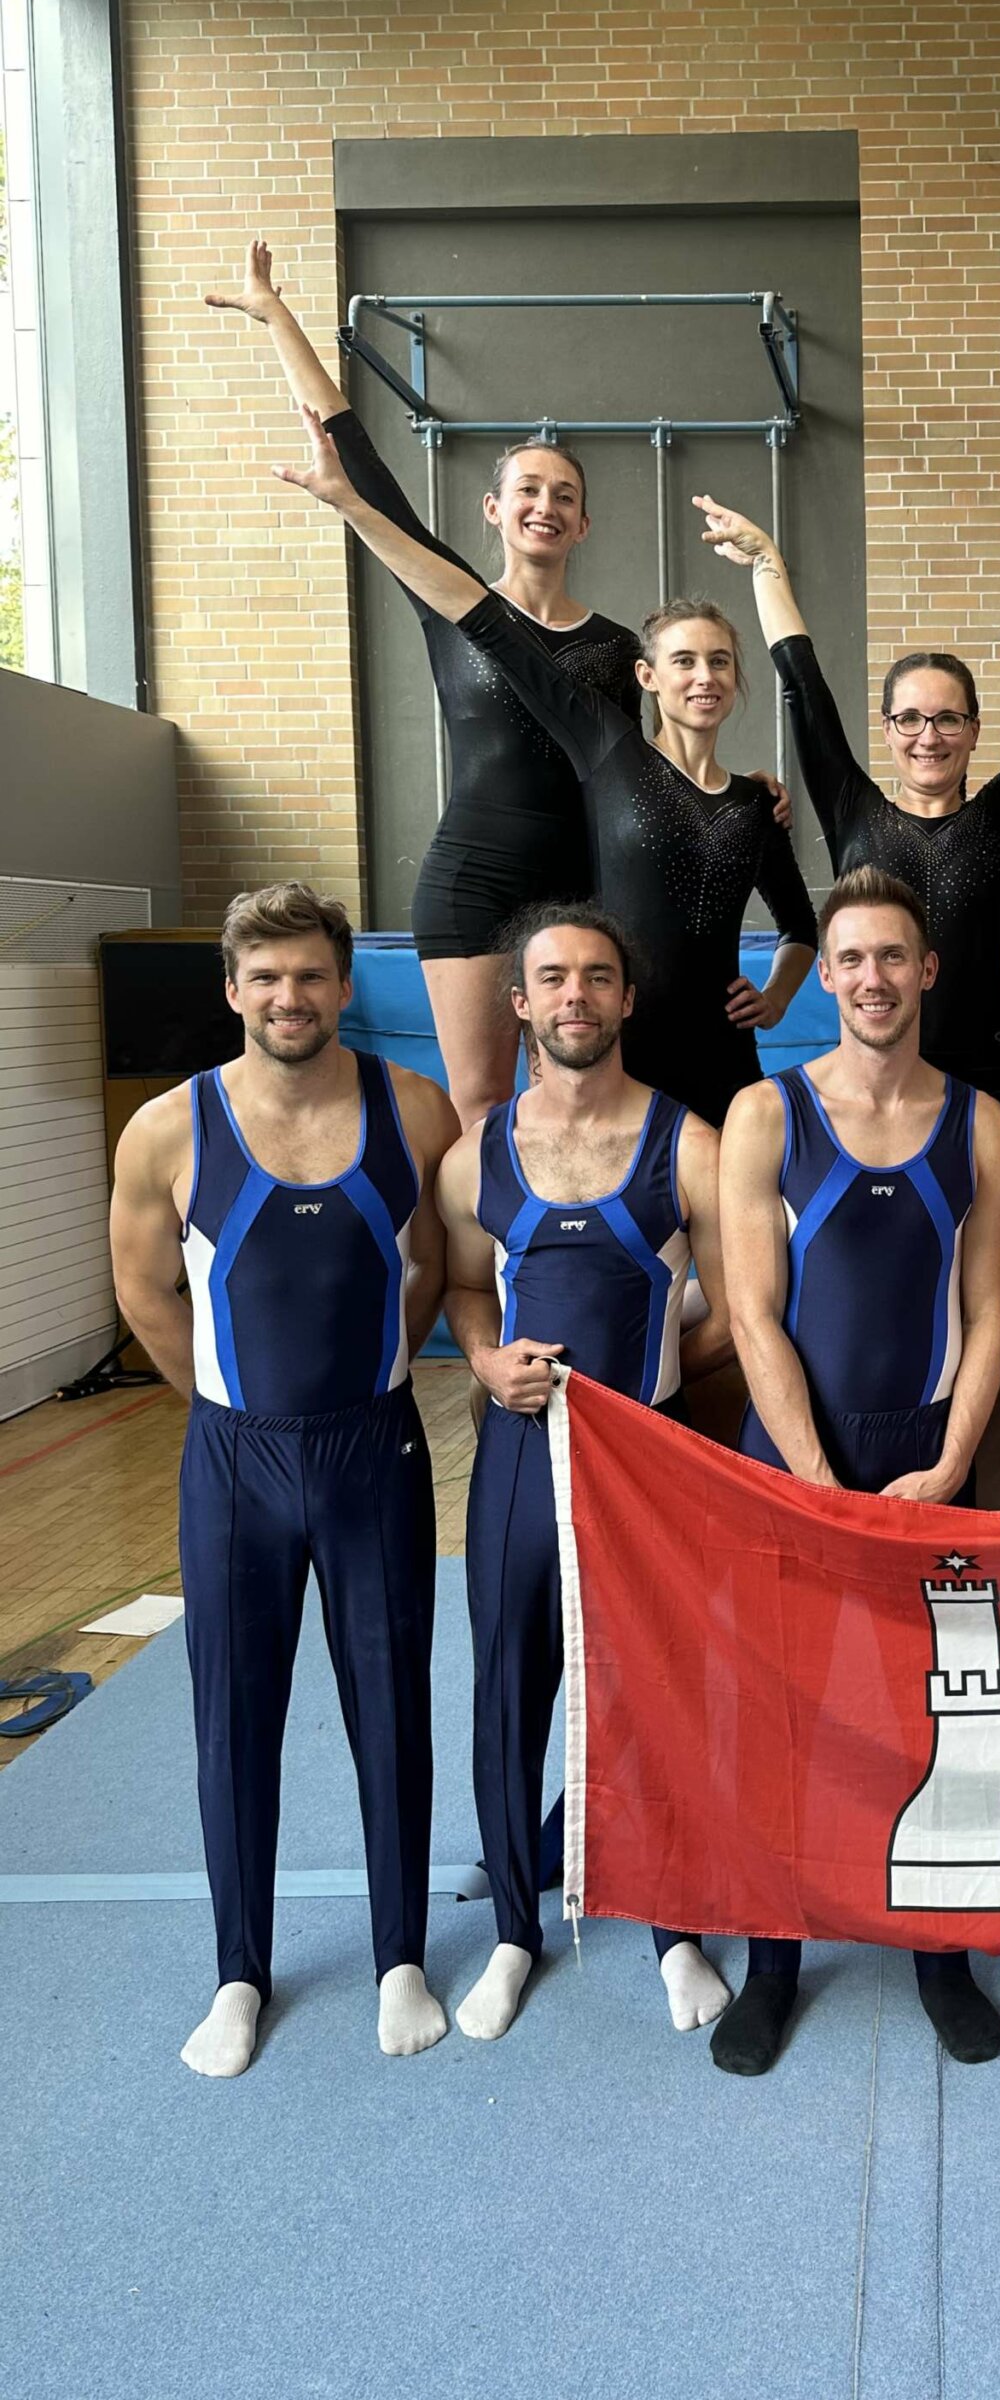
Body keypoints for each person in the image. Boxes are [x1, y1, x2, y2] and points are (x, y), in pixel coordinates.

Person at [108, 883, 461, 2078]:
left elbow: (429, 1268)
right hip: (234, 1460)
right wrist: (226, 1404)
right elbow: (146, 1297)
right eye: (264, 977)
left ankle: (400, 1955)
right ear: (231, 990)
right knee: (234, 1718)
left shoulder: (412, 1110)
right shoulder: (166, 1128)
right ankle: (239, 1971)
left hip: (375, 1446)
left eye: (309, 975)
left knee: (390, 1704)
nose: (289, 997)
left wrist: (372, 1376)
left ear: (345, 983)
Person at [271, 404, 817, 1129]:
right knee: (499, 1106)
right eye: (682, 661)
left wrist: (778, 988)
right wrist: (349, 502)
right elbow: (469, 602)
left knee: (575, 1106)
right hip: (487, 884)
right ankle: (491, 1239)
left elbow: (797, 920)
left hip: (597, 918)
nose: (702, 677)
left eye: (719, 662)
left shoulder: (733, 796)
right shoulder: (596, 734)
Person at [207, 242, 645, 1129]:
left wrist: (749, 795)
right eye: (527, 489)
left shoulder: (614, 645)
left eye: (564, 495)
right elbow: (357, 455)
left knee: (578, 1095)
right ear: (494, 509)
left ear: (585, 522)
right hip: (472, 882)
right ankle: (480, 1271)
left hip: (575, 885)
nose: (544, 506)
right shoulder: (454, 600)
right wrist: (276, 317)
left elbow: (645, 777)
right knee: (482, 1101)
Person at [713, 865, 1000, 2077]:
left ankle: (940, 1949)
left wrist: (949, 1463)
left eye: (895, 956)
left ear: (927, 971)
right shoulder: (768, 1116)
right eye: (852, 959)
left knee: (931, 1716)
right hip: (797, 1460)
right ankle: (774, 1959)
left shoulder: (980, 1118)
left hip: (928, 1459)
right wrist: (812, 1477)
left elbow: (994, 1312)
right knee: (782, 1717)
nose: (874, 978)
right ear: (823, 975)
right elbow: (752, 1312)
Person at [436, 902, 736, 2044]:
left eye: (598, 977)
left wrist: (650, 1377)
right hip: (518, 1453)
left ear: (626, 999)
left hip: (646, 1459)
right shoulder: (477, 1155)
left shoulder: (689, 1143)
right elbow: (466, 1291)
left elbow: (740, 1307)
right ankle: (518, 1927)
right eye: (553, 977)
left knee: (654, 1693)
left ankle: (674, 1927)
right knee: (510, 1693)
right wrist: (482, 1356)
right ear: (519, 1001)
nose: (577, 996)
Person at [693, 489, 1000, 1119]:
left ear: (973, 729)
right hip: (873, 1092)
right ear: (886, 729)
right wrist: (765, 563)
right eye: (909, 719)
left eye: (947, 719)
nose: (928, 737)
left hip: (988, 1089)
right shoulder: (852, 813)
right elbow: (803, 687)